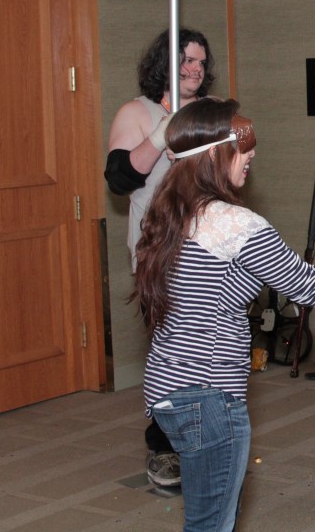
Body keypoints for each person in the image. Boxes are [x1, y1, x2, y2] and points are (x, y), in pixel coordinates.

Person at [132, 98, 315, 532]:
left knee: (210, 517)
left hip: (169, 388)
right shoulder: (234, 223)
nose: (251, 154)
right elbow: (310, 285)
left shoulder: (173, 212)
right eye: (242, 145)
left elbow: (242, 282)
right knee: (212, 524)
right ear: (214, 154)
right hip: (208, 396)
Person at [105, 27, 216, 488]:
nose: (194, 69)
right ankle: (164, 445)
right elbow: (119, 178)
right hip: (159, 252)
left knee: (210, 349)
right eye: (186, 60)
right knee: (171, 351)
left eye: (201, 62)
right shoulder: (136, 112)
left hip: (207, 249)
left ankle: (206, 436)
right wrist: (161, 132)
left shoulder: (209, 110)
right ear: (164, 63)